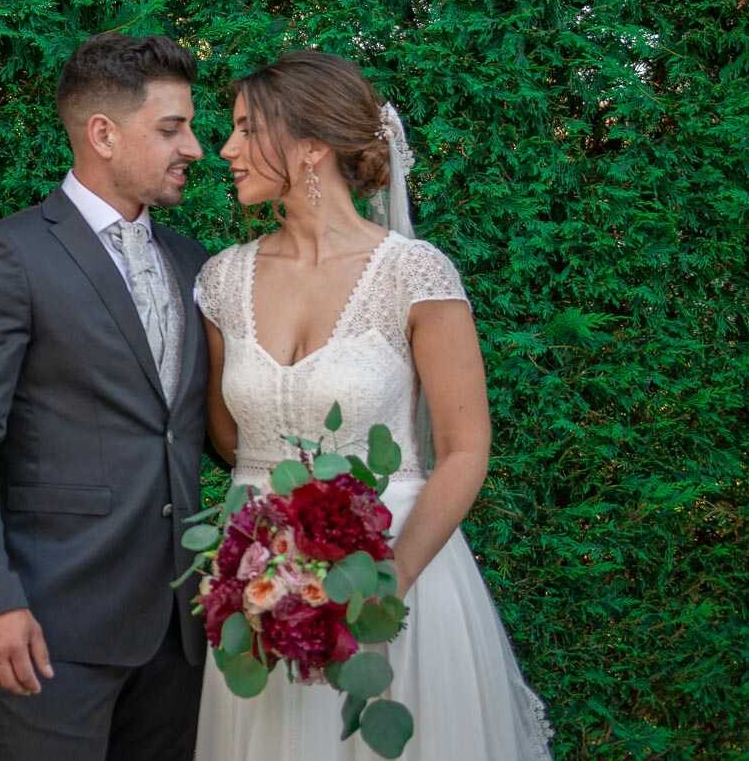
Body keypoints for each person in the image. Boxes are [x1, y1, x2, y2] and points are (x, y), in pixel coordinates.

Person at [193, 50, 551, 760]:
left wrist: (385, 581)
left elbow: (465, 449)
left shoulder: (415, 275)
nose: (225, 150)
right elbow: (229, 438)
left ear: (311, 147)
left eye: (243, 128)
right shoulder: (221, 280)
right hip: (263, 595)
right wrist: (280, 554)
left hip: (402, 573)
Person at [0, 32, 212, 760]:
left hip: (183, 630)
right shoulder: (9, 256)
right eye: (173, 128)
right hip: (55, 626)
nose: (197, 149)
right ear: (103, 134)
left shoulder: (195, 264)